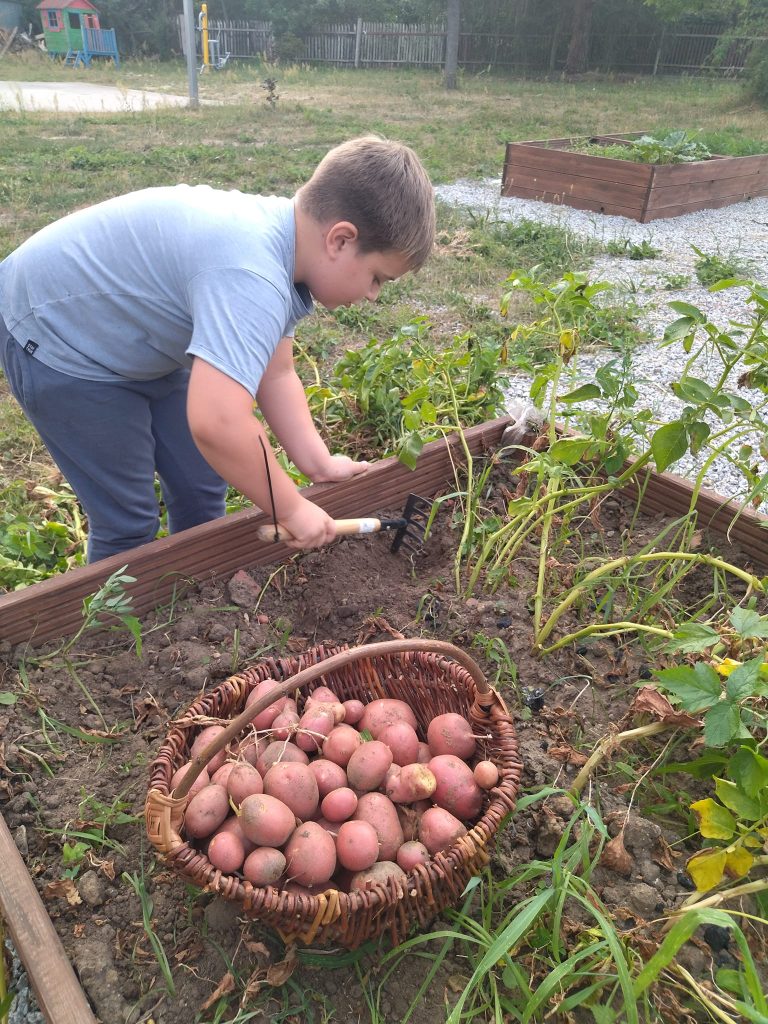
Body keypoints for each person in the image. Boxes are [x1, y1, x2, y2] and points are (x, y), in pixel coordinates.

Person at [0, 135, 436, 562]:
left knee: (199, 487)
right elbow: (218, 423)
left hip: (132, 328)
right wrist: (292, 508)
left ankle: (193, 593)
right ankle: (113, 631)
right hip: (59, 338)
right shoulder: (252, 275)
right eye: (378, 277)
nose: (374, 295)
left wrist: (317, 464)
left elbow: (277, 372)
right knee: (129, 522)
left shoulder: (287, 248)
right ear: (340, 240)